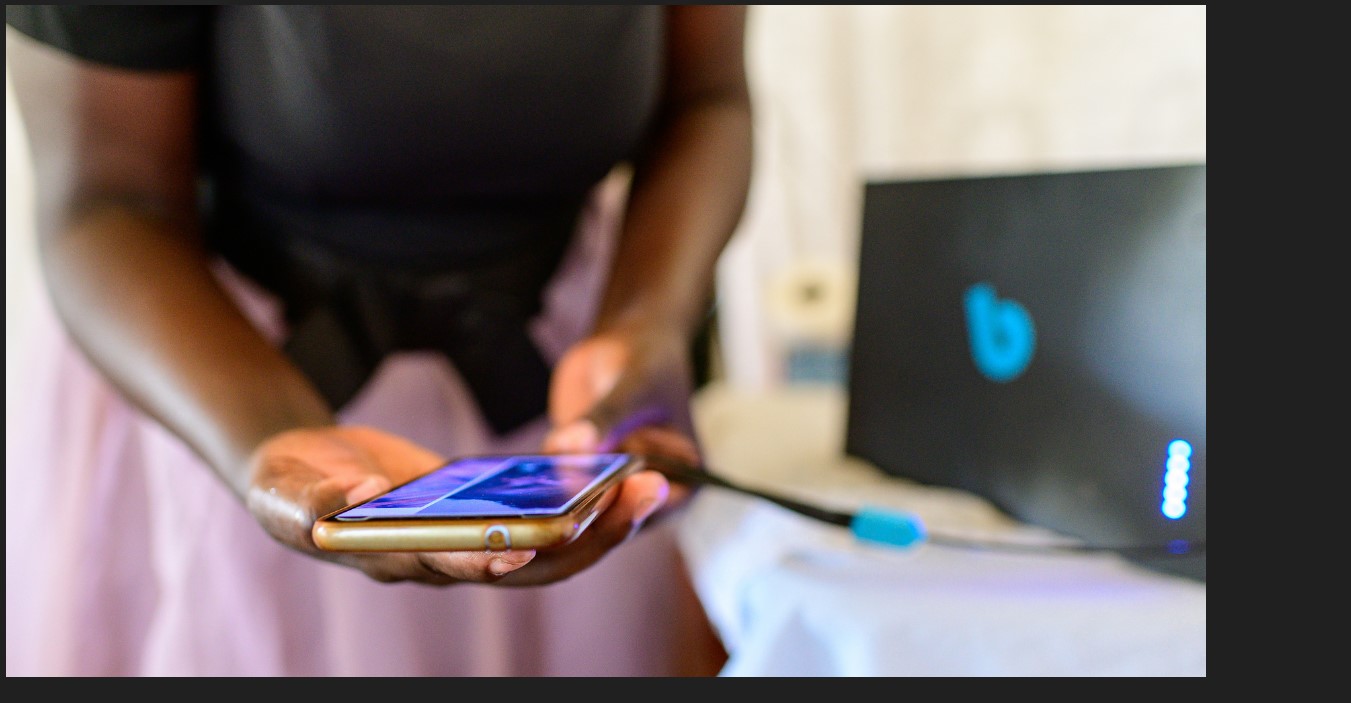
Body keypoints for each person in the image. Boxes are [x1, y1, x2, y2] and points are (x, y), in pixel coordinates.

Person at [5, 6, 751, 676]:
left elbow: (707, 98)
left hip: (559, 372)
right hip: (215, 368)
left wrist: (646, 321)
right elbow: (107, 199)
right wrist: (273, 435)